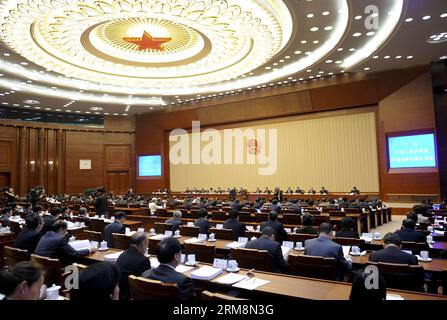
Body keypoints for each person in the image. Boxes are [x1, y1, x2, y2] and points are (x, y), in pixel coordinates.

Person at [116, 232, 151, 300]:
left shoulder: (122, 255)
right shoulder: (143, 260)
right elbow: (146, 283)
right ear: (143, 244)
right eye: (147, 245)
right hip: (131, 295)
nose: (147, 248)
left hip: (119, 293)